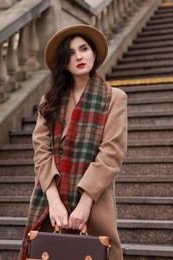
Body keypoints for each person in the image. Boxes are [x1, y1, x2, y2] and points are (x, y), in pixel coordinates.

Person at [20, 24, 127, 260]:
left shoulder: (114, 99)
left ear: (94, 54)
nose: (78, 56)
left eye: (84, 48)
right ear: (63, 62)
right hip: (50, 202)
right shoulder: (50, 100)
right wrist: (54, 201)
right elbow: (41, 151)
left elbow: (111, 154)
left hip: (94, 201)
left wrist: (85, 203)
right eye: (70, 53)